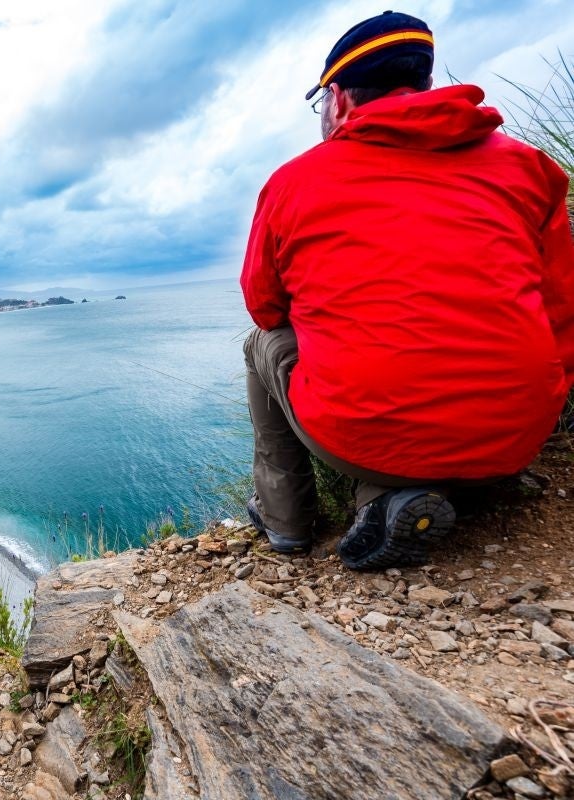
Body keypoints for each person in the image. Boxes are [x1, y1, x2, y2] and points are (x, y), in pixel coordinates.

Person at [240, 10, 574, 569]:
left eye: (320, 101)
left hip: (369, 437)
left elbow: (264, 306)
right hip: (518, 434)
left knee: (262, 343)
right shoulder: (529, 167)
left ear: (339, 98)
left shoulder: (294, 182)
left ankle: (286, 520)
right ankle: (393, 500)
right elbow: (559, 308)